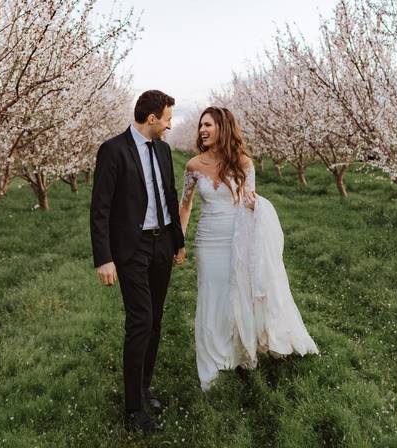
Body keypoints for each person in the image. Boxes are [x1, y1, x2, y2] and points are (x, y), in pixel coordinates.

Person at [178, 106, 317, 391]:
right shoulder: (193, 166)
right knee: (211, 295)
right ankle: (212, 361)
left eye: (209, 125)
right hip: (207, 240)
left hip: (236, 237)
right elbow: (186, 204)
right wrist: (178, 241)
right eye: (201, 125)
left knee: (237, 294)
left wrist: (258, 207)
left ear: (223, 128)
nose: (202, 130)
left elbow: (250, 201)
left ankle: (239, 352)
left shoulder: (244, 164)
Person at [89, 90, 187, 433]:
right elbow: (100, 208)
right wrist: (104, 258)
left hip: (162, 245)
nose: (170, 125)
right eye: (168, 118)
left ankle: (144, 387)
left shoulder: (162, 149)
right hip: (132, 249)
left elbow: (171, 195)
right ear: (151, 118)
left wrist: (178, 241)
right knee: (140, 321)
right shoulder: (113, 150)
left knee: (156, 320)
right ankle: (133, 410)